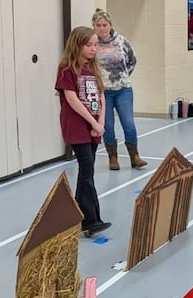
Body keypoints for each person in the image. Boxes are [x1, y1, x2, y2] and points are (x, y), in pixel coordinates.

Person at [55, 26, 112, 236]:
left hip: (94, 127)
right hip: (77, 126)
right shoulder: (67, 69)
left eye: (95, 45)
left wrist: (100, 123)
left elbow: (102, 96)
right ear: (77, 45)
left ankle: (80, 218)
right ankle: (90, 220)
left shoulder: (93, 68)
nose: (93, 49)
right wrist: (92, 123)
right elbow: (72, 99)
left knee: (87, 172)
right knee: (87, 169)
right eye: (88, 45)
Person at [92, 9, 146, 171]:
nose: (102, 28)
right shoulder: (92, 44)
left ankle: (134, 156)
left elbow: (132, 61)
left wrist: (123, 76)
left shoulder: (121, 41)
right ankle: (113, 157)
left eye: (105, 25)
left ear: (110, 25)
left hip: (123, 90)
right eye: (98, 25)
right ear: (94, 26)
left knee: (128, 123)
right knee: (108, 125)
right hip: (103, 92)